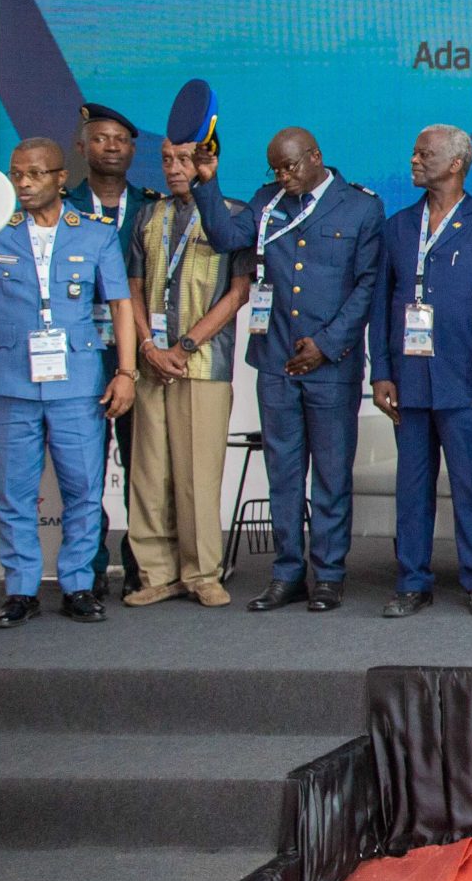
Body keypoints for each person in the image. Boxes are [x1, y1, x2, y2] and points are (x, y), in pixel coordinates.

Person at [0, 137, 137, 629]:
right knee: (14, 490)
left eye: (36, 174)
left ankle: (79, 585)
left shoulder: (94, 233)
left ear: (61, 178)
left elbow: (121, 305)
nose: (24, 182)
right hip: (10, 378)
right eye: (17, 173)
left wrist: (125, 371)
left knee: (84, 487)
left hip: (77, 379)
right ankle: (20, 589)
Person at [189, 126, 384, 612]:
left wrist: (327, 344)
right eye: (275, 168)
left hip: (330, 364)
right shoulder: (267, 200)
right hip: (275, 360)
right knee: (283, 472)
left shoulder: (360, 207)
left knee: (332, 474)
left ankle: (330, 574)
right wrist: (207, 183)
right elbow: (226, 236)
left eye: (291, 166)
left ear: (316, 157)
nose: (283, 175)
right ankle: (287, 572)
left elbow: (367, 287)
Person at [369, 125, 472, 619]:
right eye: (413, 151)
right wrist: (380, 372)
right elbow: (382, 304)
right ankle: (411, 581)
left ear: (455, 164)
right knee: (412, 487)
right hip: (409, 379)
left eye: (423, 153)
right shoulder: (398, 226)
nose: (413, 160)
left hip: (468, 378)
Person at [124, 131, 253, 608]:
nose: (174, 168)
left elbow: (238, 291)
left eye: (182, 159)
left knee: (198, 474)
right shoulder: (147, 215)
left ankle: (202, 573)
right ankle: (156, 573)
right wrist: (147, 345)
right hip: (152, 362)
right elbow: (132, 288)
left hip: (202, 362)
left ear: (203, 161)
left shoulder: (234, 213)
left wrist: (187, 343)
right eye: (166, 159)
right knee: (149, 472)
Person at [73, 102, 157, 598]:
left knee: (140, 466)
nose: (110, 147)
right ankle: (89, 567)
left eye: (120, 139)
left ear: (132, 149)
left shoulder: (151, 207)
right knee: (84, 468)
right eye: (100, 138)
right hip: (79, 351)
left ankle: (139, 564)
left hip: (136, 353)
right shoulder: (60, 205)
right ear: (82, 148)